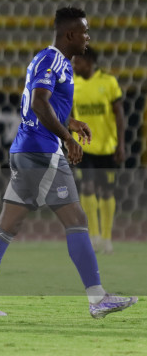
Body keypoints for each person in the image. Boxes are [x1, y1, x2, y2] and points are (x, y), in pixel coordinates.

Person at [0, 7, 137, 319]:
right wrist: (67, 139)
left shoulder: (61, 64)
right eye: (84, 31)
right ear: (70, 34)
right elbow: (38, 103)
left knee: (7, 226)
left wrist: (72, 123)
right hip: (42, 151)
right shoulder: (51, 58)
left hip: (29, 149)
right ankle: (97, 298)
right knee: (76, 219)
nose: (88, 37)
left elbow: (45, 103)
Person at [71, 46, 125, 255]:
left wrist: (120, 145)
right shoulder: (73, 84)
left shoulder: (109, 83)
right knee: (87, 187)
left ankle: (106, 238)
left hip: (106, 147)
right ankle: (93, 236)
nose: (74, 65)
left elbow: (119, 116)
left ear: (89, 61)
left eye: (78, 61)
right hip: (84, 147)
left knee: (106, 191)